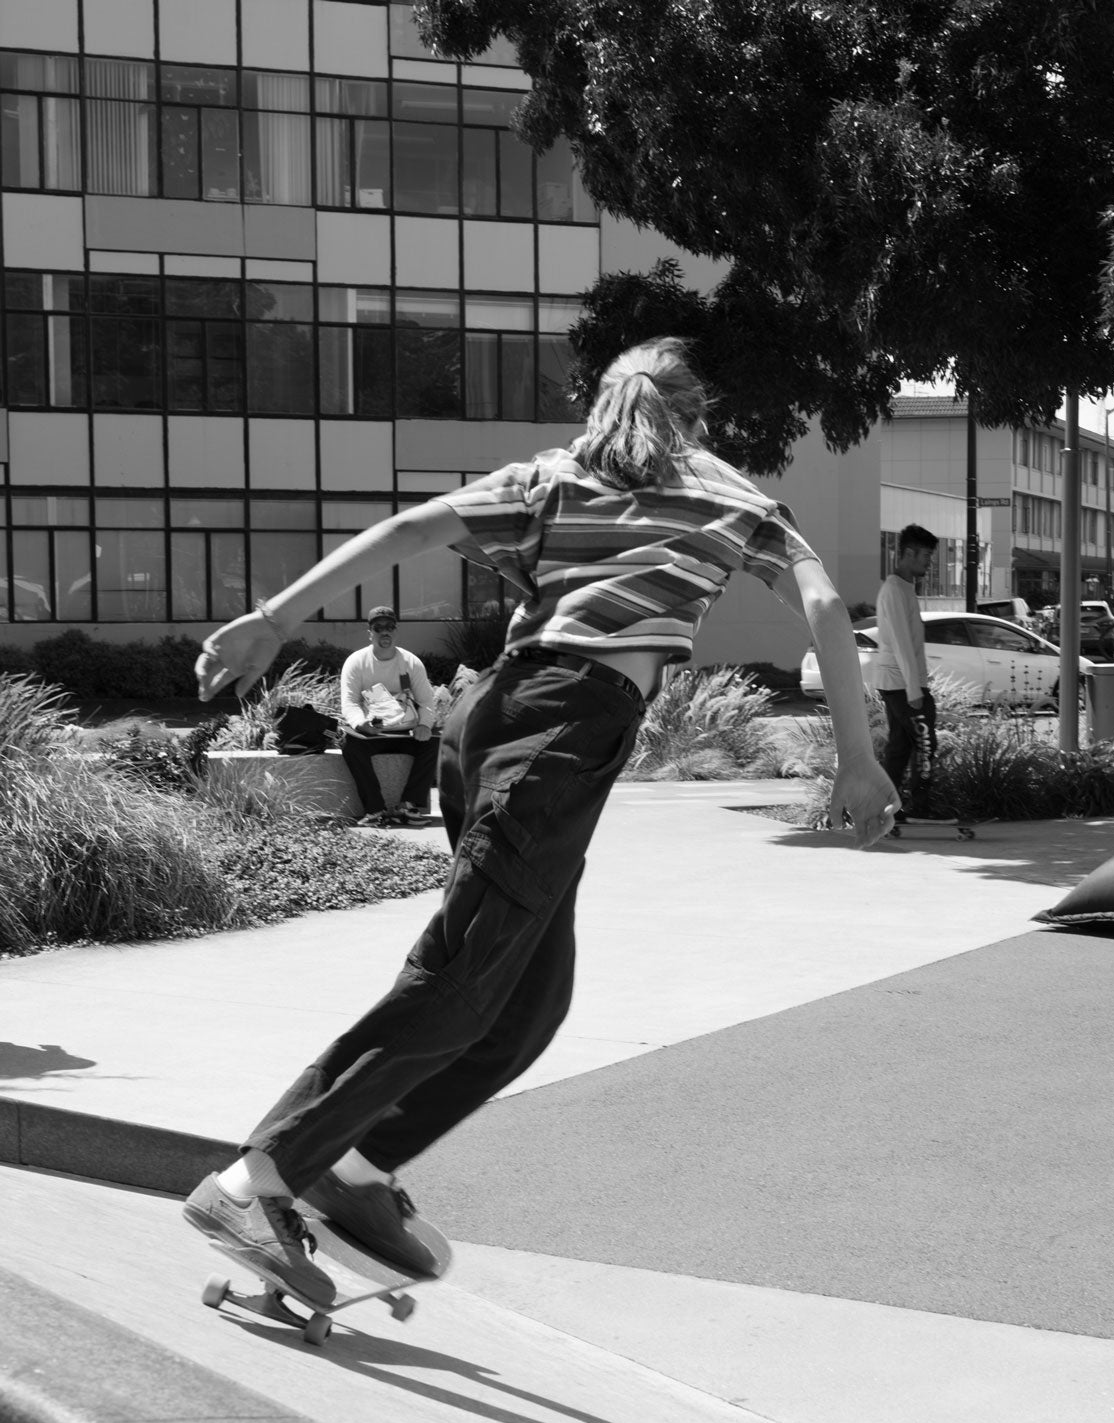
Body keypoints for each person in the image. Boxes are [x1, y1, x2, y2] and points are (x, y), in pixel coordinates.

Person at [179, 336, 896, 1308]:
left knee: (528, 1002)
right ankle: (256, 1177)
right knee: (464, 980)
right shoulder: (722, 492)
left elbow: (410, 530)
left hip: (490, 722)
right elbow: (819, 602)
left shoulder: (553, 477)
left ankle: (351, 1167)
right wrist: (855, 757)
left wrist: (273, 615)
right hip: (561, 733)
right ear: (696, 415)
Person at [338, 605, 438, 825]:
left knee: (435, 742)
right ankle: (374, 810)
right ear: (370, 633)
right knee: (348, 743)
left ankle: (409, 805)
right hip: (373, 734)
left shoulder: (411, 662)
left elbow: (426, 701)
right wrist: (361, 724)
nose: (385, 632)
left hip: (405, 732)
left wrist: (424, 725)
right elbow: (349, 702)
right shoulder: (356, 662)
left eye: (390, 627)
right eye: (378, 627)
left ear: (396, 630)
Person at [876, 523, 937, 830]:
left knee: (900, 747)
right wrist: (915, 688)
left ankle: (886, 808)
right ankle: (920, 808)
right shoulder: (895, 590)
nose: (929, 561)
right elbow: (901, 641)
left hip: (898, 683)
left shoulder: (903, 588)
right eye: (926, 555)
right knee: (926, 743)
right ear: (909, 553)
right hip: (902, 685)